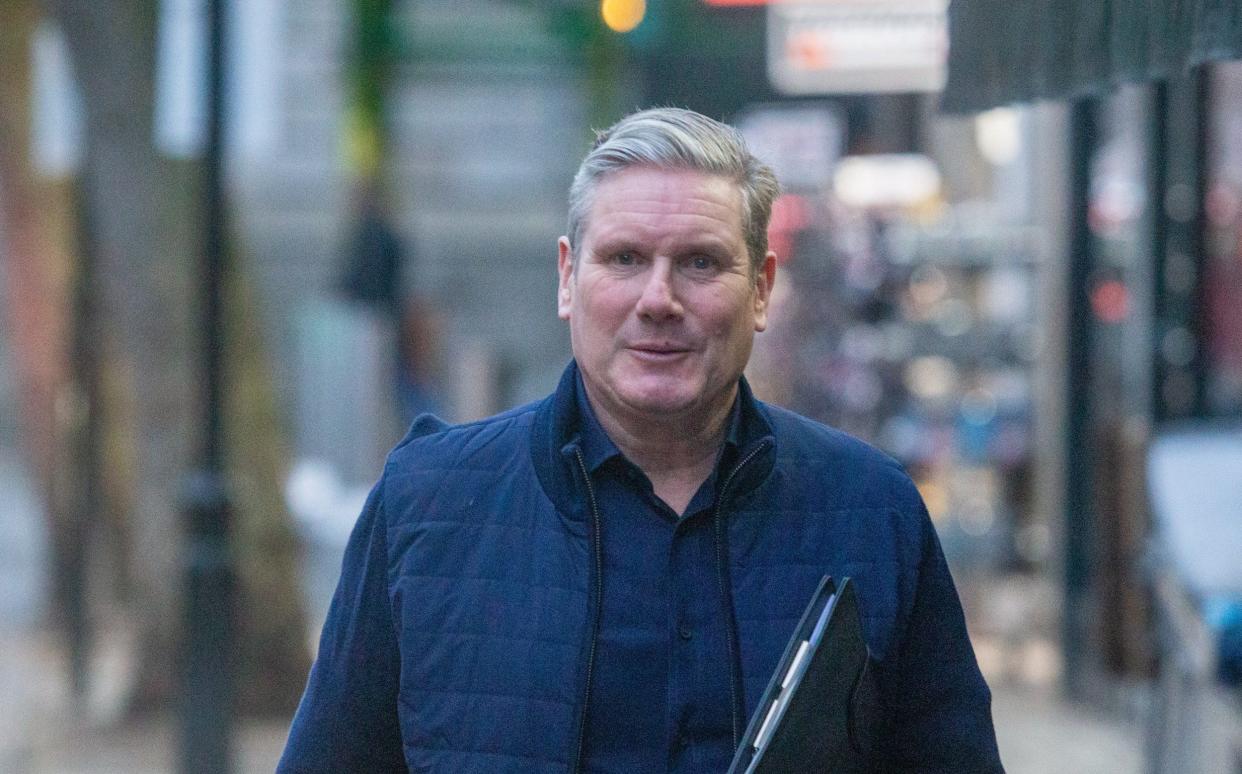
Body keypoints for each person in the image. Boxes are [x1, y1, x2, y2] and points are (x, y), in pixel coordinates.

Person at [278, 107, 1004, 773]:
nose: (659, 299)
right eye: (624, 258)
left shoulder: (874, 514)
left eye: (700, 262)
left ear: (761, 290)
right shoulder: (426, 507)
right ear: (568, 278)